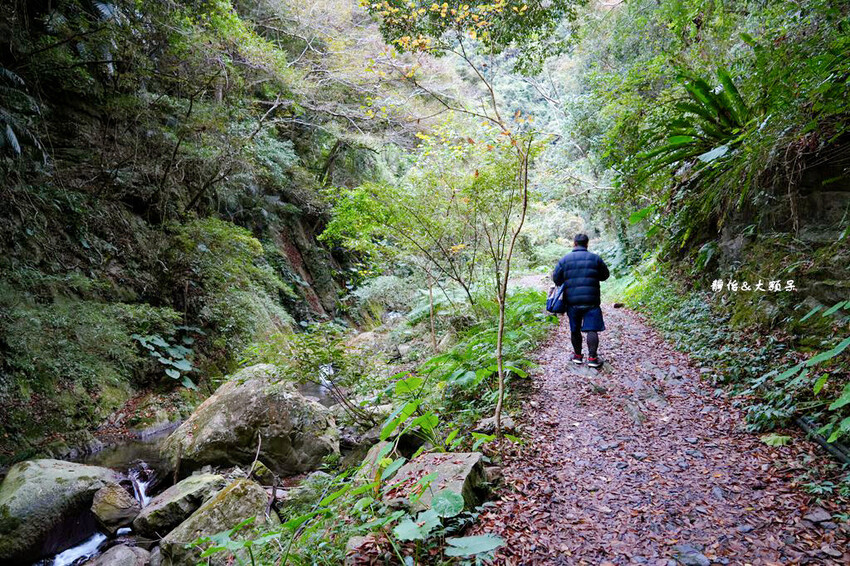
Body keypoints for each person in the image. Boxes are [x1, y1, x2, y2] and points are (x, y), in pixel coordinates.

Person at [552, 233, 610, 368]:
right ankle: (592, 358)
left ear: (574, 243)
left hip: (572, 301)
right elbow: (605, 275)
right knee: (592, 329)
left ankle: (577, 356)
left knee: (575, 329)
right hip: (592, 300)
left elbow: (557, 279)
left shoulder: (565, 260)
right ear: (587, 244)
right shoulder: (595, 259)